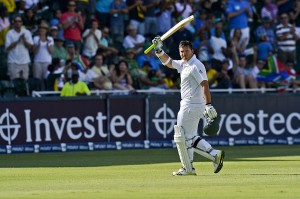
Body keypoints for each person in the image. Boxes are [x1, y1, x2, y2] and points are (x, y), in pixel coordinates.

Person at [152, 37, 225, 176]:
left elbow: (205, 85)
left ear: (192, 50)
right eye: (181, 51)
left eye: (186, 51)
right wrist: (159, 50)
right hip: (189, 104)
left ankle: (188, 168)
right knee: (190, 137)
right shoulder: (184, 64)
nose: (183, 54)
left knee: (181, 136)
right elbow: (169, 62)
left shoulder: (195, 65)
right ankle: (215, 154)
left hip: (191, 104)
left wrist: (208, 104)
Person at [5, 15, 33, 80]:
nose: (18, 23)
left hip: (25, 61)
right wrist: (18, 40)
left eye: (19, 21)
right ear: (13, 22)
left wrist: (24, 40)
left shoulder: (27, 32)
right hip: (13, 62)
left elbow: (31, 47)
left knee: (25, 83)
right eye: (16, 21)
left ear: (22, 23)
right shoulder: (9, 33)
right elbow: (7, 48)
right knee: (14, 84)